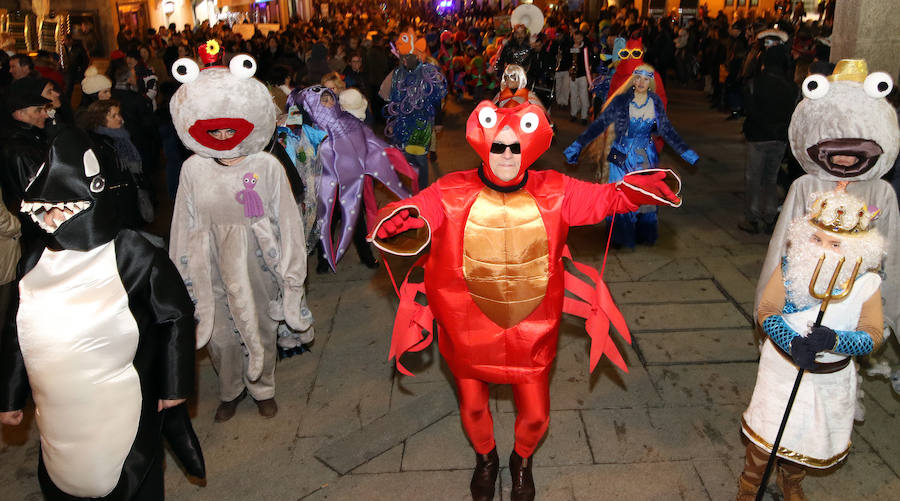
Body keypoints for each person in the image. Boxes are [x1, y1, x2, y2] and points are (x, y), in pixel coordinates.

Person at [370, 101, 683, 501]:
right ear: (483, 145)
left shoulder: (556, 189)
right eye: (498, 146)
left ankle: (521, 460)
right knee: (473, 407)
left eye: (514, 147)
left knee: (536, 415)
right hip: (467, 330)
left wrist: (634, 192)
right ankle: (486, 459)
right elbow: (420, 210)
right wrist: (398, 217)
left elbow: (605, 199)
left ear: (529, 148)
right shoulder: (451, 190)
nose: (505, 155)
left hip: (531, 331)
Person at [0, 127, 203, 501]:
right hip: (58, 412)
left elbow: (175, 317)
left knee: (132, 479)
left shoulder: (134, 253)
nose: (54, 217)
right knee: (66, 474)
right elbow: (17, 333)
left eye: (63, 206)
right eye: (48, 209)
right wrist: (10, 397)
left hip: (123, 401)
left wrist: (175, 387)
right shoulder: (34, 261)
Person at [169, 45, 313, 422]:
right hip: (209, 259)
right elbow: (181, 224)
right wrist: (177, 276)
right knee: (218, 332)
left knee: (262, 323)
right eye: (213, 126)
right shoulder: (192, 170)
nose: (221, 132)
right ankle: (230, 390)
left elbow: (287, 220)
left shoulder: (265, 165)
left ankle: (263, 386)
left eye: (228, 125)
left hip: (255, 256)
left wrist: (291, 270)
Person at [737, 190, 885, 500]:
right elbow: (767, 311)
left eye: (834, 244)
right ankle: (750, 487)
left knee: (805, 434)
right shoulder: (791, 267)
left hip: (830, 377)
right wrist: (791, 342)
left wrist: (836, 340)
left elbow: (872, 333)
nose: (822, 250)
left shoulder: (866, 282)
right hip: (783, 368)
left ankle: (791, 479)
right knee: (768, 434)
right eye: (816, 239)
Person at [564, 65, 699, 248]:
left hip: (645, 157)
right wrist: (577, 146)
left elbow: (667, 131)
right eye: (638, 77)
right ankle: (619, 236)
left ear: (651, 82)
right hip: (619, 156)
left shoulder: (655, 103)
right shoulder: (621, 101)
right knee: (620, 194)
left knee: (646, 195)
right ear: (633, 80)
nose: (641, 82)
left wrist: (687, 153)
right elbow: (599, 125)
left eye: (646, 78)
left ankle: (643, 233)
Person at [738, 47, 798, 234]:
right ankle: (770, 216)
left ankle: (752, 218)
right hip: (779, 138)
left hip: (758, 137)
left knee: (754, 178)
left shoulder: (755, 83)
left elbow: (748, 108)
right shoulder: (792, 86)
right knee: (771, 178)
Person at [379, 28, 447, 191]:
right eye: (402, 57)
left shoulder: (428, 73)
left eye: (408, 57)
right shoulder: (396, 74)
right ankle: (410, 189)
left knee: (421, 160)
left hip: (422, 124)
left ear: (417, 55)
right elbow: (385, 96)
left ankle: (422, 191)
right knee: (405, 159)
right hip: (402, 125)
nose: (405, 60)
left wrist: (438, 122)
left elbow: (436, 99)